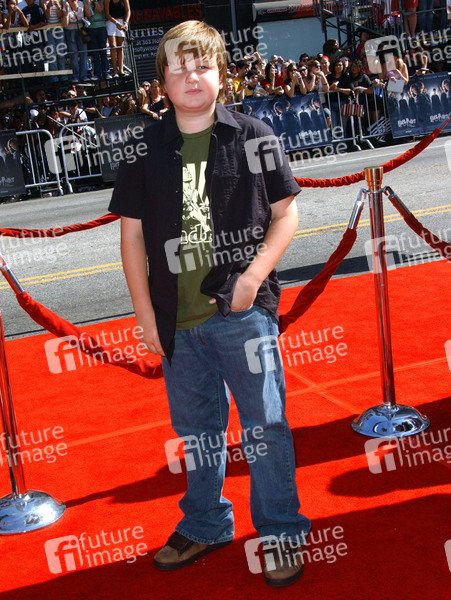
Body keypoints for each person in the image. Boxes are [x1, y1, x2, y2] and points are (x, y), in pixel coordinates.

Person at [108, 19, 311, 588]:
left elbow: (286, 213)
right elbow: (131, 237)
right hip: (176, 322)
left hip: (242, 312)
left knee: (265, 426)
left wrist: (252, 278)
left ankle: (280, 532)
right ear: (162, 80)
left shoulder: (254, 135)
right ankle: (205, 523)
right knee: (197, 433)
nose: (191, 76)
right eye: (178, 67)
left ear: (222, 74)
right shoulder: (143, 147)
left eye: (202, 65)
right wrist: (145, 315)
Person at [62, 0, 92, 83]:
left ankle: (84, 75)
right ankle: (75, 75)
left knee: (84, 53)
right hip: (70, 32)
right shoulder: (66, 5)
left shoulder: (82, 4)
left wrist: (87, 6)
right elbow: (65, 24)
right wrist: (66, 12)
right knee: (73, 53)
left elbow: (89, 15)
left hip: (81, 31)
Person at [41, 0, 67, 82]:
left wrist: (58, 6)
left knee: (60, 52)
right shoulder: (43, 1)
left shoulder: (59, 1)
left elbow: (60, 16)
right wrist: (49, 6)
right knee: (52, 53)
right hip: (48, 29)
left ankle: (63, 75)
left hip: (58, 28)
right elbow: (47, 16)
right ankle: (54, 77)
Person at [104, 0, 130, 77]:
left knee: (120, 46)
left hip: (121, 21)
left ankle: (121, 70)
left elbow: (128, 10)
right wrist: (116, 23)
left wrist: (126, 23)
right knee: (113, 46)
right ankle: (115, 71)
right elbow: (107, 14)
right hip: (110, 22)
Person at [87, 0, 111, 80]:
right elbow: (88, 15)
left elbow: (100, 10)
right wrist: (88, 4)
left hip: (101, 27)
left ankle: (106, 72)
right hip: (91, 28)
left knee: (103, 51)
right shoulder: (86, 1)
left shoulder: (101, 1)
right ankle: (97, 73)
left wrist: (95, 2)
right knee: (95, 52)